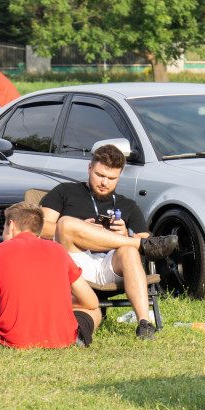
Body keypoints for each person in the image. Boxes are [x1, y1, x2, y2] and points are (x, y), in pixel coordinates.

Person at [39, 144, 177, 340]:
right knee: (66, 223)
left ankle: (145, 323)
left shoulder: (127, 205)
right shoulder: (65, 192)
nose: (104, 182)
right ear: (89, 168)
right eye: (99, 175)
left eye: (112, 178)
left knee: (130, 250)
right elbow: (40, 228)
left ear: (119, 176)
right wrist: (82, 230)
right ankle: (127, 242)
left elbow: (148, 243)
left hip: (110, 266)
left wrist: (126, 234)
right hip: (73, 263)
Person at [0, 202, 101, 348]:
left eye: (4, 227)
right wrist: (56, 302)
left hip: (10, 339)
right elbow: (91, 302)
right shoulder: (59, 250)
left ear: (11, 225)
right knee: (96, 312)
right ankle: (77, 340)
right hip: (61, 339)